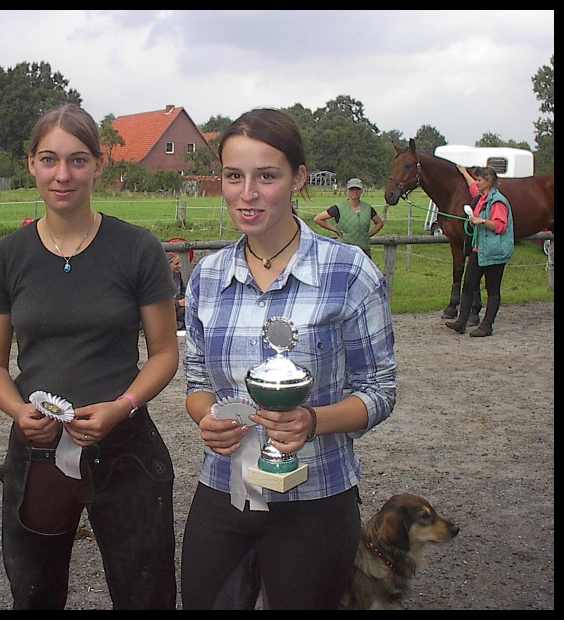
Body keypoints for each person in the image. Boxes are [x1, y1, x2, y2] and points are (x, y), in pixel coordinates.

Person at [180, 109, 397, 609]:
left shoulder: (349, 273)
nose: (247, 194)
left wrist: (313, 421)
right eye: (233, 176)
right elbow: (197, 385)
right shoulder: (207, 277)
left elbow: (380, 390)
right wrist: (208, 419)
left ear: (299, 178)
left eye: (266, 176)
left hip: (317, 498)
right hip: (225, 488)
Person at [0, 104, 179, 609]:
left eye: (77, 160)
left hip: (126, 448)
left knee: (145, 595)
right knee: (36, 595)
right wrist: (19, 412)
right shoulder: (7, 258)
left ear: (98, 165)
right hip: (38, 449)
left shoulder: (138, 249)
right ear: (31, 164)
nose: (62, 175)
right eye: (49, 159)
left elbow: (164, 353)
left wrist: (122, 407)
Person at [445, 165, 514, 337]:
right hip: (479, 249)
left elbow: (500, 226)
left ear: (488, 182)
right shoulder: (482, 198)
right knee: (468, 284)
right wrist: (463, 172)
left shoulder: (498, 202)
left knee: (492, 289)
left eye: (479, 180)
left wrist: (481, 221)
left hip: (494, 252)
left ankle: (487, 326)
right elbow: (472, 187)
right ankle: (461, 322)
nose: (476, 183)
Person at [313, 177, 384, 258]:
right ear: (347, 191)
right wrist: (335, 230)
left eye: (357, 189)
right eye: (352, 189)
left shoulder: (368, 208)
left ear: (361, 191)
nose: (354, 192)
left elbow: (379, 223)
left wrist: (368, 235)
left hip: (364, 251)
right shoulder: (338, 208)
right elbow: (318, 219)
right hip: (345, 250)